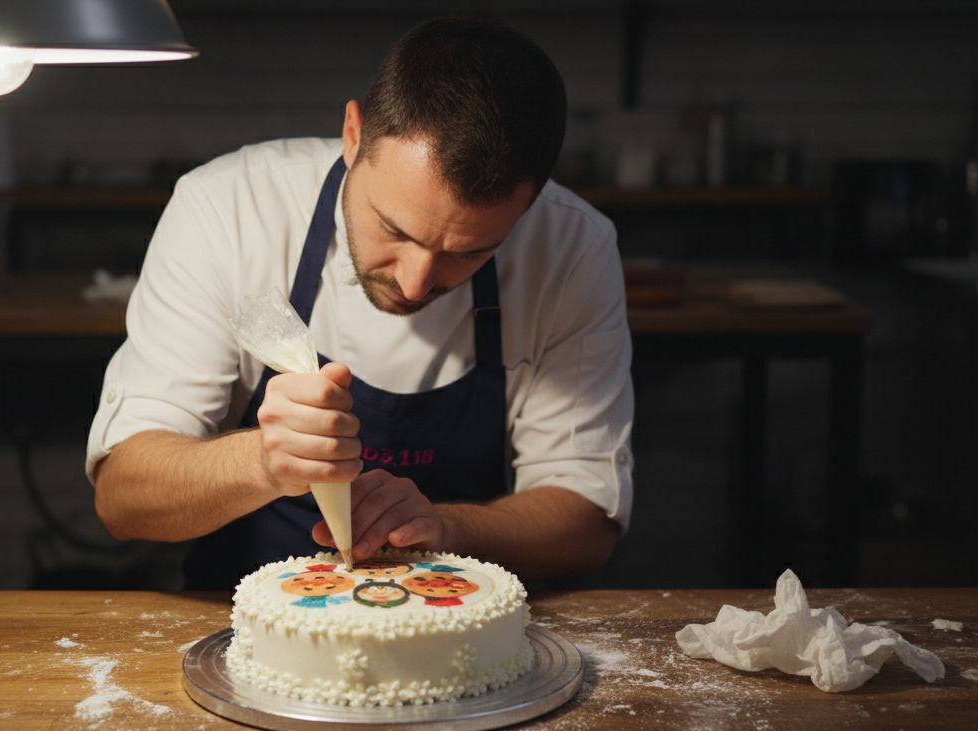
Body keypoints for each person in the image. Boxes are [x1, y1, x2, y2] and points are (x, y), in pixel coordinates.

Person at [87, 16, 634, 589]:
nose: (417, 283)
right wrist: (260, 463)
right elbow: (123, 498)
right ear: (354, 135)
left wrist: (447, 529)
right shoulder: (229, 209)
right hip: (240, 632)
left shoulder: (571, 246)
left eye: (469, 252)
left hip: (457, 629)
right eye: (394, 230)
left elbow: (588, 521)